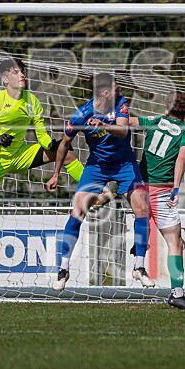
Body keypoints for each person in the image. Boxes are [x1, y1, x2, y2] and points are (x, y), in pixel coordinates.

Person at [0, 58, 84, 278]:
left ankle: (93, 190)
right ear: (5, 79)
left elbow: (41, 135)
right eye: (15, 72)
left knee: (65, 152)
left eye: (22, 71)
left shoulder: (33, 101)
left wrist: (51, 145)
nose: (21, 75)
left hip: (19, 155)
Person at [48, 72, 151, 290]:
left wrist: (103, 125)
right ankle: (63, 269)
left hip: (126, 164)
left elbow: (123, 130)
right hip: (96, 167)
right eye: (116, 88)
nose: (120, 92)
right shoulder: (81, 115)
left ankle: (139, 267)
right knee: (78, 212)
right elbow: (64, 144)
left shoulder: (120, 104)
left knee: (142, 208)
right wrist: (56, 173)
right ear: (105, 92)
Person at [129, 91, 185, 309]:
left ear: (167, 108)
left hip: (138, 184)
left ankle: (140, 246)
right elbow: (182, 157)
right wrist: (176, 188)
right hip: (161, 190)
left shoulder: (155, 120)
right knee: (175, 242)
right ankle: (177, 294)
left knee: (144, 221)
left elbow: (128, 121)